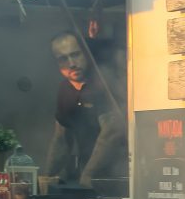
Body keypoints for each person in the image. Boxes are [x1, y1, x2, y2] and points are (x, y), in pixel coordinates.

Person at [45, 31, 126, 187]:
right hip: (88, 176)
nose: (71, 63)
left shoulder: (103, 82)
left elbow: (112, 132)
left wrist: (88, 175)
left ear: (86, 53)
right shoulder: (64, 91)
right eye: (63, 59)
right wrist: (46, 178)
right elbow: (62, 138)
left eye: (75, 54)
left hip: (119, 175)